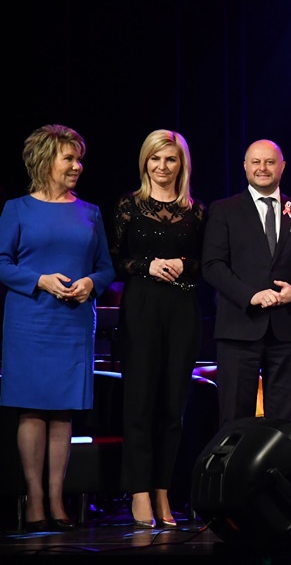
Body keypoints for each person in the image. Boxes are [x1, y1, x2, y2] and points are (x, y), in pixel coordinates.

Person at [0, 124, 116, 532]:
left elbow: (106, 268)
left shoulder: (90, 212)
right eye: (69, 158)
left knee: (63, 411)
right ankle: (34, 500)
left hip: (72, 322)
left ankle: (56, 500)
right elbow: (2, 263)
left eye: (78, 159)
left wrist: (91, 283)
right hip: (30, 321)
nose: (77, 166)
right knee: (32, 408)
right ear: (46, 161)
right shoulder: (17, 209)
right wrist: (39, 280)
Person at [109, 129, 205, 529]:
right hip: (141, 308)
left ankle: (163, 489)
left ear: (182, 165)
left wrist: (186, 264)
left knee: (173, 407)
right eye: (155, 159)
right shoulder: (128, 206)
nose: (162, 167)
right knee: (139, 404)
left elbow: (209, 263)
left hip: (182, 310)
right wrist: (146, 265)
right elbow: (113, 258)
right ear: (144, 162)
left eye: (170, 159)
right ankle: (139, 492)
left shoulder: (196, 211)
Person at [202, 139, 291, 428]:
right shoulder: (224, 210)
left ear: (282, 167)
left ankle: (276, 462)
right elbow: (212, 266)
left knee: (283, 422)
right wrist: (251, 296)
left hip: (287, 329)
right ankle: (236, 462)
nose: (262, 168)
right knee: (235, 419)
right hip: (239, 328)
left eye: (270, 162)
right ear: (245, 166)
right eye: (256, 162)